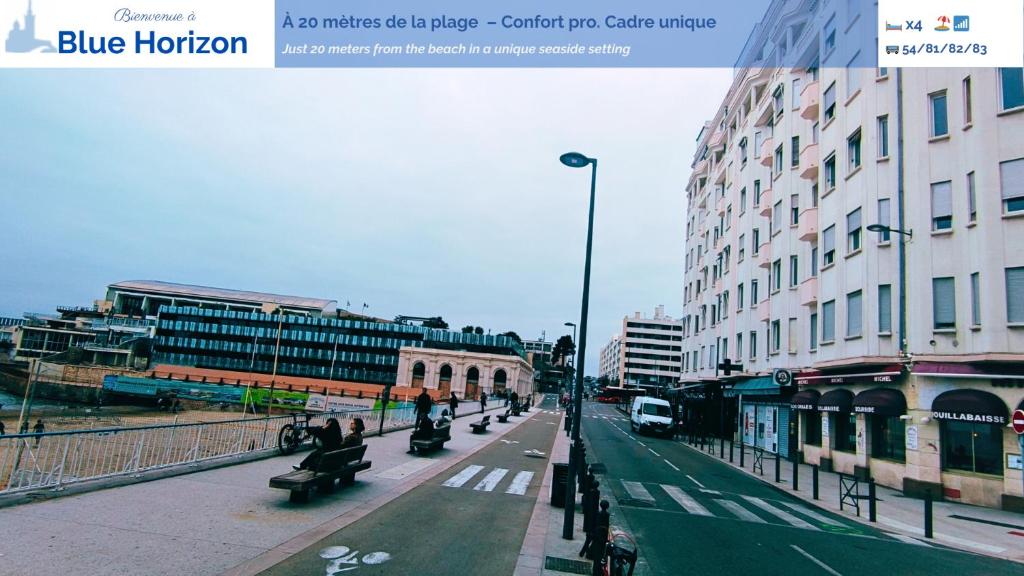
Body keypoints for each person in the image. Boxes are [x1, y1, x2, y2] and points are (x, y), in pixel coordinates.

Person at [587, 500, 611, 576]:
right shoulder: (606, 515)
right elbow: (606, 527)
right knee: (599, 553)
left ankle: (596, 569)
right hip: (602, 535)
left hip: (597, 534)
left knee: (597, 552)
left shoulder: (598, 514)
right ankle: (597, 571)